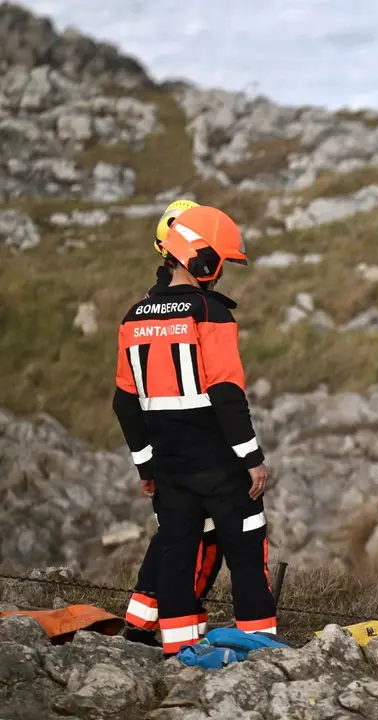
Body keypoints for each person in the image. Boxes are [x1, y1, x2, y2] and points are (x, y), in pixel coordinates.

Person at [112, 204, 277, 656]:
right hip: (219, 462)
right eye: (221, 263)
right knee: (246, 552)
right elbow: (226, 393)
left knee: (178, 555)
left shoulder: (132, 317)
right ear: (201, 257)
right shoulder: (212, 313)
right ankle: (259, 648)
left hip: (168, 465)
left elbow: (125, 403)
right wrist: (252, 458)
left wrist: (145, 466)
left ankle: (177, 653)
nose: (221, 274)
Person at [122, 199, 224, 647]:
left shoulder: (145, 307)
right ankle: (177, 623)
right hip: (191, 446)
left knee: (175, 532)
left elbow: (126, 400)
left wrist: (146, 463)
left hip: (164, 445)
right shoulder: (188, 307)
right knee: (201, 535)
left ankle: (143, 619)